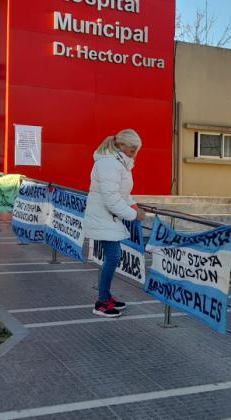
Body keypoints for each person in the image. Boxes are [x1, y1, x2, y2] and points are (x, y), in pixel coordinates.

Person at [83, 129, 146, 318]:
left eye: (136, 150)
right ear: (121, 146)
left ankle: (105, 296)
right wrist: (133, 215)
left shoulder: (116, 162)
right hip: (105, 218)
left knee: (113, 257)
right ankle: (102, 302)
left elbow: (120, 193)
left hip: (107, 217)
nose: (134, 153)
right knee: (112, 257)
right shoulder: (110, 164)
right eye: (132, 149)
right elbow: (112, 199)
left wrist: (132, 205)